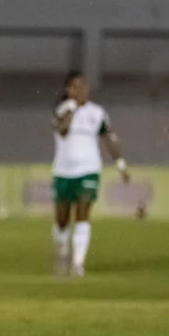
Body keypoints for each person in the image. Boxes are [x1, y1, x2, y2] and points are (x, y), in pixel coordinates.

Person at [52, 71, 131, 276]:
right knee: (62, 219)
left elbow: (108, 138)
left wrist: (120, 164)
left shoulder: (98, 113)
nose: (82, 91)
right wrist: (72, 109)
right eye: (76, 87)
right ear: (69, 90)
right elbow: (62, 130)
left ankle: (78, 262)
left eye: (84, 86)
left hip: (88, 169)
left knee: (83, 212)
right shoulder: (61, 109)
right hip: (63, 171)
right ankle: (62, 247)